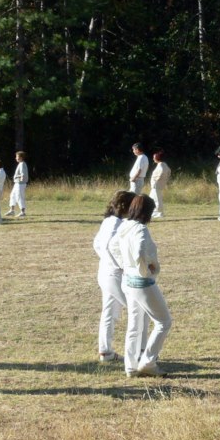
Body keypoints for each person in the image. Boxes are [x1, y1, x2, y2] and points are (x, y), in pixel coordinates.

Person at [108, 194, 172, 377]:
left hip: (128, 281)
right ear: (147, 212)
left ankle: (131, 366)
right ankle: (148, 362)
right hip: (142, 283)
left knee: (134, 325)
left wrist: (125, 265)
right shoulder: (141, 230)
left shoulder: (124, 226)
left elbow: (113, 247)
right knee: (164, 322)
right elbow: (140, 253)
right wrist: (147, 270)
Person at [93, 191, 138, 363]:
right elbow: (104, 246)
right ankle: (139, 353)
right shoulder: (116, 223)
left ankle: (106, 351)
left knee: (110, 311)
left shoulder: (110, 221)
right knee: (139, 311)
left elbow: (97, 244)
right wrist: (120, 264)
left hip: (106, 271)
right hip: (114, 274)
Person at [6, 151, 29, 217]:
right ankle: (12, 210)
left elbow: (23, 174)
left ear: (21, 157)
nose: (16, 158)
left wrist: (19, 177)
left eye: (17, 156)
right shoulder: (20, 164)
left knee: (19, 197)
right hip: (17, 183)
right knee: (12, 195)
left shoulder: (22, 164)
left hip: (20, 184)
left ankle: (23, 212)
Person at [149, 150, 170, 218]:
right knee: (152, 199)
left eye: (154, 157)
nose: (153, 159)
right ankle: (154, 212)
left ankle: (159, 213)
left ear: (157, 158)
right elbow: (169, 172)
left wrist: (156, 179)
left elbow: (161, 173)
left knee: (157, 199)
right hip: (157, 185)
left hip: (157, 185)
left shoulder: (161, 165)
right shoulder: (163, 165)